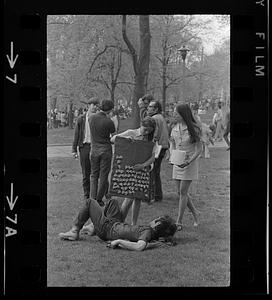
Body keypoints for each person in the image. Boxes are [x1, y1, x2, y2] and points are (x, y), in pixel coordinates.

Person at [59, 197, 177, 251]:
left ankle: (75, 231)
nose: (154, 219)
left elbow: (140, 246)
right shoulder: (151, 234)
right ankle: (93, 227)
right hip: (114, 224)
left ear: (157, 225)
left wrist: (119, 242)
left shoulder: (147, 232)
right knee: (112, 202)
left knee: (89, 202)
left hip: (107, 229)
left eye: (157, 219)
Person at [110, 117, 158, 225]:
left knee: (138, 198)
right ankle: (119, 221)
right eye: (145, 129)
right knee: (129, 197)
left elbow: (152, 157)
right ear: (141, 125)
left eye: (149, 131)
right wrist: (126, 140)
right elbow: (113, 139)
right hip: (129, 169)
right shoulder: (131, 132)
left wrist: (143, 165)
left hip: (142, 170)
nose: (146, 132)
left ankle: (133, 223)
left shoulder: (150, 140)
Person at [169, 103, 203, 230]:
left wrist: (189, 161)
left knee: (183, 192)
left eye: (176, 113)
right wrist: (171, 155)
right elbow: (172, 142)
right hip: (177, 162)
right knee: (180, 192)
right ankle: (195, 213)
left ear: (183, 115)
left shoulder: (194, 128)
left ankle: (179, 221)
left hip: (189, 163)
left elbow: (199, 149)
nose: (174, 115)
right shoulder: (174, 127)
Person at [72, 97, 100, 199]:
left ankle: (96, 195)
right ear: (88, 106)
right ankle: (86, 195)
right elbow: (76, 134)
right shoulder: (81, 119)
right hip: (84, 146)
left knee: (96, 172)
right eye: (93, 105)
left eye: (97, 105)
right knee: (85, 172)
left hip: (96, 147)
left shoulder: (98, 118)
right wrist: (74, 150)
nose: (95, 107)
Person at [89, 99, 116, 207]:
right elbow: (113, 135)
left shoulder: (91, 118)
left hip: (94, 149)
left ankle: (92, 198)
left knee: (94, 175)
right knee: (103, 176)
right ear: (110, 109)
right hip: (105, 150)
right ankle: (99, 199)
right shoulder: (109, 121)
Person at [146, 100, 169, 202]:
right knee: (156, 171)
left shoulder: (154, 118)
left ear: (156, 109)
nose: (148, 108)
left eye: (151, 106)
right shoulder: (160, 117)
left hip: (157, 148)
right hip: (163, 146)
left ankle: (153, 195)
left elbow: (154, 135)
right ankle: (157, 194)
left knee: (153, 171)